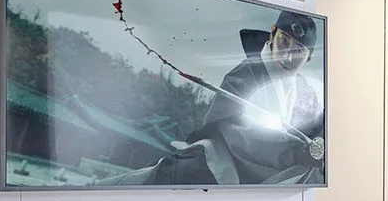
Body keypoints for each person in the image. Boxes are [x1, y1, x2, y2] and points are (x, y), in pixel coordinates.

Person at [100, 10, 325, 186]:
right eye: (284, 41)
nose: (287, 56)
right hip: (224, 160)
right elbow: (236, 131)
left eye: (298, 51)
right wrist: (297, 152)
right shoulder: (246, 74)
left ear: (309, 57)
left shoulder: (305, 93)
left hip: (271, 173)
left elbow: (318, 130)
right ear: (272, 33)